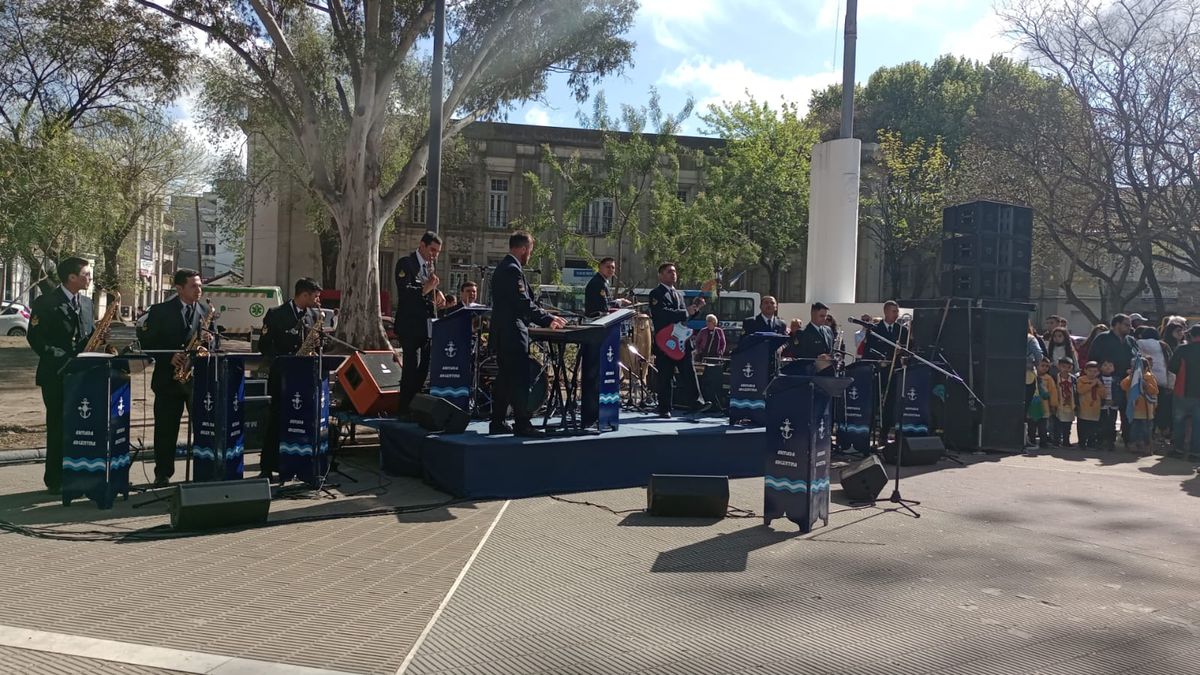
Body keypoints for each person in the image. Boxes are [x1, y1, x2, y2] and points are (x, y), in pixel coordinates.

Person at [26, 256, 94, 494]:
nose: (90, 278)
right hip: (56, 374)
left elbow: (88, 336)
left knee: (81, 427)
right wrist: (63, 358)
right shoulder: (46, 302)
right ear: (71, 277)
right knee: (58, 427)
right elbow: (36, 338)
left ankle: (79, 474)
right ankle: (55, 479)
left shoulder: (86, 303)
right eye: (86, 274)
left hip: (83, 375)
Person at [489, 232, 566, 436]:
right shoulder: (512, 270)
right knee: (520, 378)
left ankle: (497, 421)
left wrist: (546, 315)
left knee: (506, 378)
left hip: (504, 331)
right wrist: (548, 319)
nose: (530, 255)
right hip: (512, 331)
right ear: (523, 249)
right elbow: (522, 303)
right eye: (529, 251)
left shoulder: (505, 267)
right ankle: (522, 424)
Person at [139, 269, 209, 486]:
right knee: (166, 430)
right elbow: (147, 342)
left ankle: (204, 471)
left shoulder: (205, 310)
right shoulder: (160, 311)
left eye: (200, 285)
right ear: (179, 289)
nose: (199, 290)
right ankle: (163, 473)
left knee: (203, 427)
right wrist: (168, 356)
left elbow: (211, 342)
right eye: (193, 286)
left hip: (195, 379)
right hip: (168, 380)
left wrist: (209, 341)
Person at [257, 277, 322, 481]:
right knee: (276, 420)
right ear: (304, 295)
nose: (317, 300)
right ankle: (268, 466)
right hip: (281, 375)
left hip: (303, 377)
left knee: (301, 420)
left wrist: (317, 346)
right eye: (315, 296)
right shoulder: (276, 314)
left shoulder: (314, 315)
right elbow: (264, 346)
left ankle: (298, 465)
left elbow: (317, 344)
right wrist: (282, 361)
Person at [395, 231, 445, 416]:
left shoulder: (429, 267)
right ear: (422, 245)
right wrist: (426, 289)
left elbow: (428, 290)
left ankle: (415, 407)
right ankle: (404, 409)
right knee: (411, 368)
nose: (434, 255)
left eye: (437, 252)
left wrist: (437, 294)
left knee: (424, 369)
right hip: (410, 326)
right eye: (432, 250)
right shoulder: (407, 263)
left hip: (426, 327)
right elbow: (405, 292)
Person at [649, 262, 706, 417]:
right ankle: (664, 408)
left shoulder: (679, 294)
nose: (673, 274)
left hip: (681, 340)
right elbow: (662, 314)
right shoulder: (656, 293)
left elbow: (684, 318)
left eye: (674, 271)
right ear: (660, 275)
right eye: (669, 271)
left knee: (689, 371)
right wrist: (685, 311)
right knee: (665, 374)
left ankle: (697, 402)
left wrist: (696, 309)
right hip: (665, 341)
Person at [1088, 314, 1139, 445]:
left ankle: (1128, 440)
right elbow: (1092, 358)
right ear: (1117, 324)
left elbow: (1138, 358)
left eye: (1130, 325)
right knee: (1107, 413)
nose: (1130, 327)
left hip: (1127, 382)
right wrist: (1097, 376)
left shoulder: (1131, 340)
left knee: (1127, 412)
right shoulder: (1102, 338)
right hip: (1107, 381)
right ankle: (1105, 440)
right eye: (1126, 325)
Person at [867, 301, 909, 438]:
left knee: (890, 404)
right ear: (886, 312)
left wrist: (901, 352)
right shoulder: (874, 329)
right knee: (874, 402)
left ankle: (884, 435)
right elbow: (868, 350)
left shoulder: (902, 330)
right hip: (879, 371)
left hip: (894, 371)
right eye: (893, 311)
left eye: (897, 312)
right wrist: (879, 360)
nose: (896, 314)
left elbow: (908, 350)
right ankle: (869, 433)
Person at [1167, 324, 1200, 460]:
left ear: (1191, 335)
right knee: (1198, 425)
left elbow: (1172, 367)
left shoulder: (1182, 349)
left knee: (1179, 422)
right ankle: (1196, 453)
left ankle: (1178, 450)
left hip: (1182, 391)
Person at [1121, 355, 1159, 456]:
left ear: (1146, 368)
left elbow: (1155, 391)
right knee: (1134, 428)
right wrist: (1131, 377)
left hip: (1146, 409)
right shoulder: (1131, 378)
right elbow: (1123, 386)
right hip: (1135, 408)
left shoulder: (1149, 377)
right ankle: (1133, 443)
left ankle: (1147, 446)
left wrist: (1146, 385)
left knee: (1146, 429)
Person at [792, 302, 835, 373]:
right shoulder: (802, 332)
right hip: (811, 372)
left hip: (829, 371)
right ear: (813, 314)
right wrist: (817, 358)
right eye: (821, 316)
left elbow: (831, 349)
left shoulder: (828, 330)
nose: (824, 319)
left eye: (825, 316)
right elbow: (799, 354)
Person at [1026, 357, 1057, 452]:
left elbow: (1053, 392)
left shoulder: (1048, 378)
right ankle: (1032, 441)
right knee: (1031, 426)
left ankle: (1043, 442)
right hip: (1032, 406)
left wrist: (1053, 404)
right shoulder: (1030, 376)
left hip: (1044, 407)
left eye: (1047, 366)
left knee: (1043, 427)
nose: (1045, 368)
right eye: (1042, 365)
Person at [1076, 361, 1103, 448]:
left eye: (1095, 371)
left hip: (1095, 409)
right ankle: (1082, 443)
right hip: (1084, 408)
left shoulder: (1099, 381)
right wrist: (1092, 384)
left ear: (1098, 372)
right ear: (1085, 370)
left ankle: (1091, 443)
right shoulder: (1081, 380)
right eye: (1090, 371)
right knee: (1082, 427)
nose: (1092, 373)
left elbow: (1103, 395)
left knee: (1093, 428)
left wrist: (1100, 386)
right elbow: (1080, 390)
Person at [1053, 357, 1077, 447]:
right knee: (1057, 424)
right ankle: (1056, 441)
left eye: (1068, 367)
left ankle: (1066, 441)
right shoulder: (1055, 378)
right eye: (1063, 366)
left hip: (1070, 404)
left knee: (1068, 424)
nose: (1066, 369)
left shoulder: (1073, 379)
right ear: (1058, 366)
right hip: (1059, 404)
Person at [1098, 360, 1119, 451]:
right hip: (1102, 405)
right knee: (1102, 423)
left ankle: (1111, 442)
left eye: (1110, 365)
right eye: (1105, 365)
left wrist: (1115, 401)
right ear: (1101, 367)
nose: (1108, 367)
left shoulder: (1116, 379)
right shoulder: (1098, 379)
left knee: (1112, 424)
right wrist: (1103, 401)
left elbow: (1119, 392)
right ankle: (1101, 441)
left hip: (1113, 405)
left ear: (1113, 368)